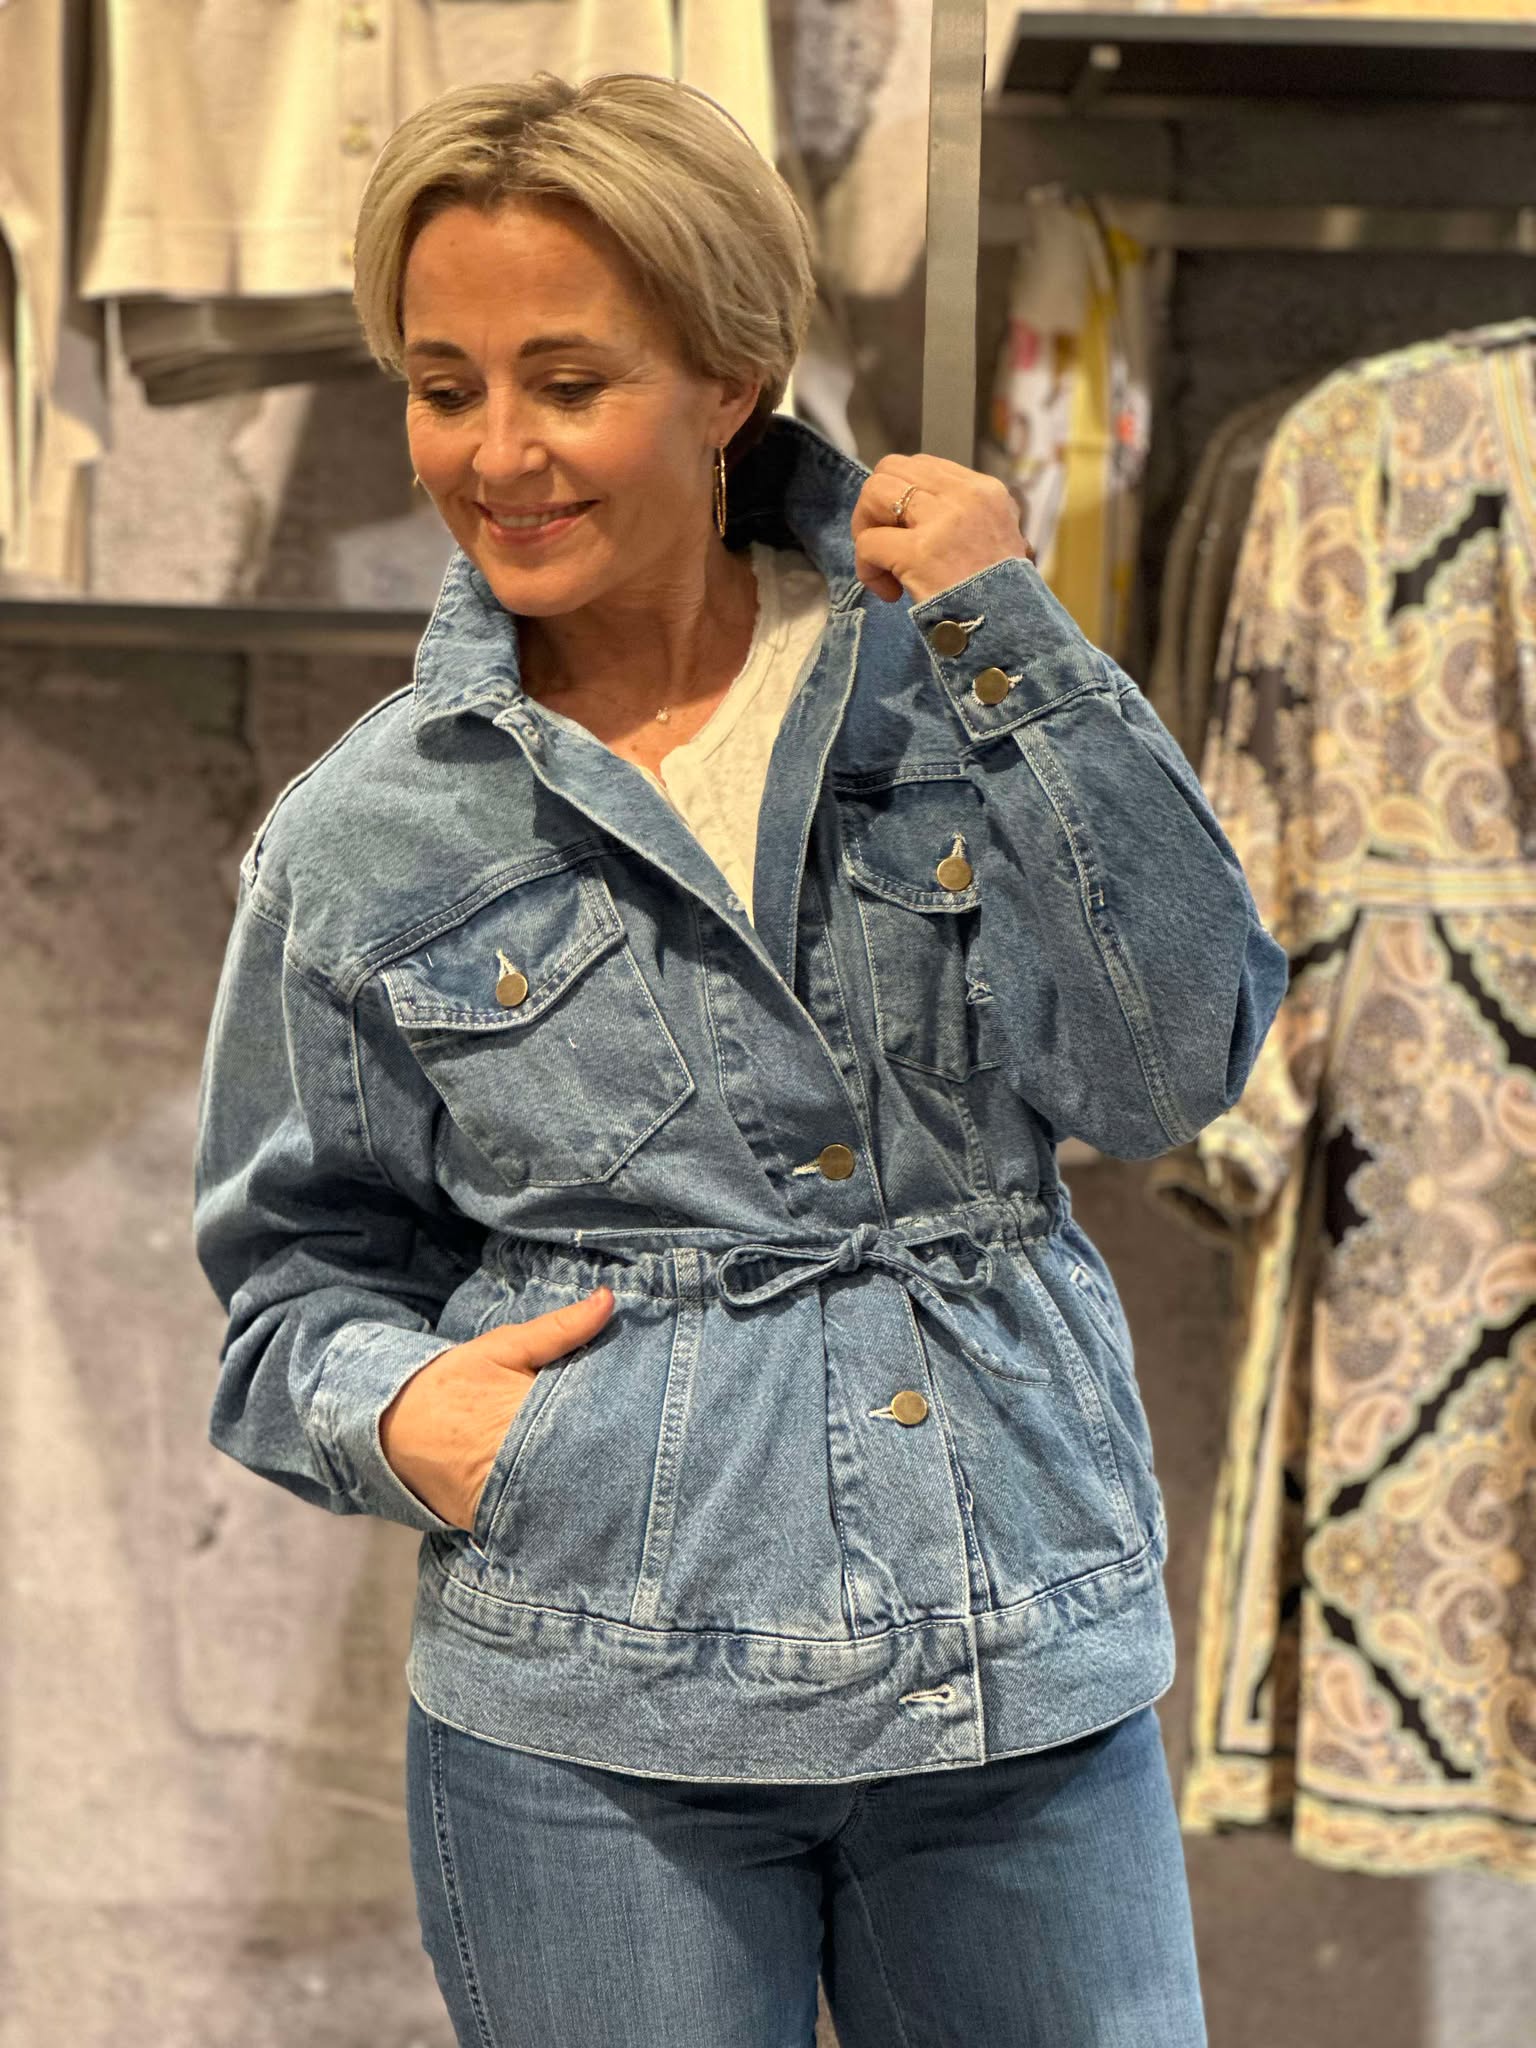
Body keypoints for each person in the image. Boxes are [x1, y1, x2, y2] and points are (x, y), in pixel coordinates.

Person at [192, 70, 1287, 2048]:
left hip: (1016, 1673)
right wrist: (416, 1415)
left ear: (731, 380)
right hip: (594, 1715)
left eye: (568, 381)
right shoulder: (367, 838)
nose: (498, 453)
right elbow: (289, 1289)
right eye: (443, 386)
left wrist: (1015, 637)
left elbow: (1168, 1068)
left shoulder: (953, 687)